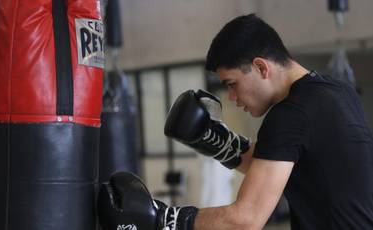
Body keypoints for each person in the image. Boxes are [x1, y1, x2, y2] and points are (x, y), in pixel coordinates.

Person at [97, 14, 373, 230]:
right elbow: (271, 167)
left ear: (261, 67)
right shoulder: (338, 92)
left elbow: (245, 220)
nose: (231, 96)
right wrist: (220, 143)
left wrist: (163, 220)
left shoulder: (291, 114)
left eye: (233, 84)